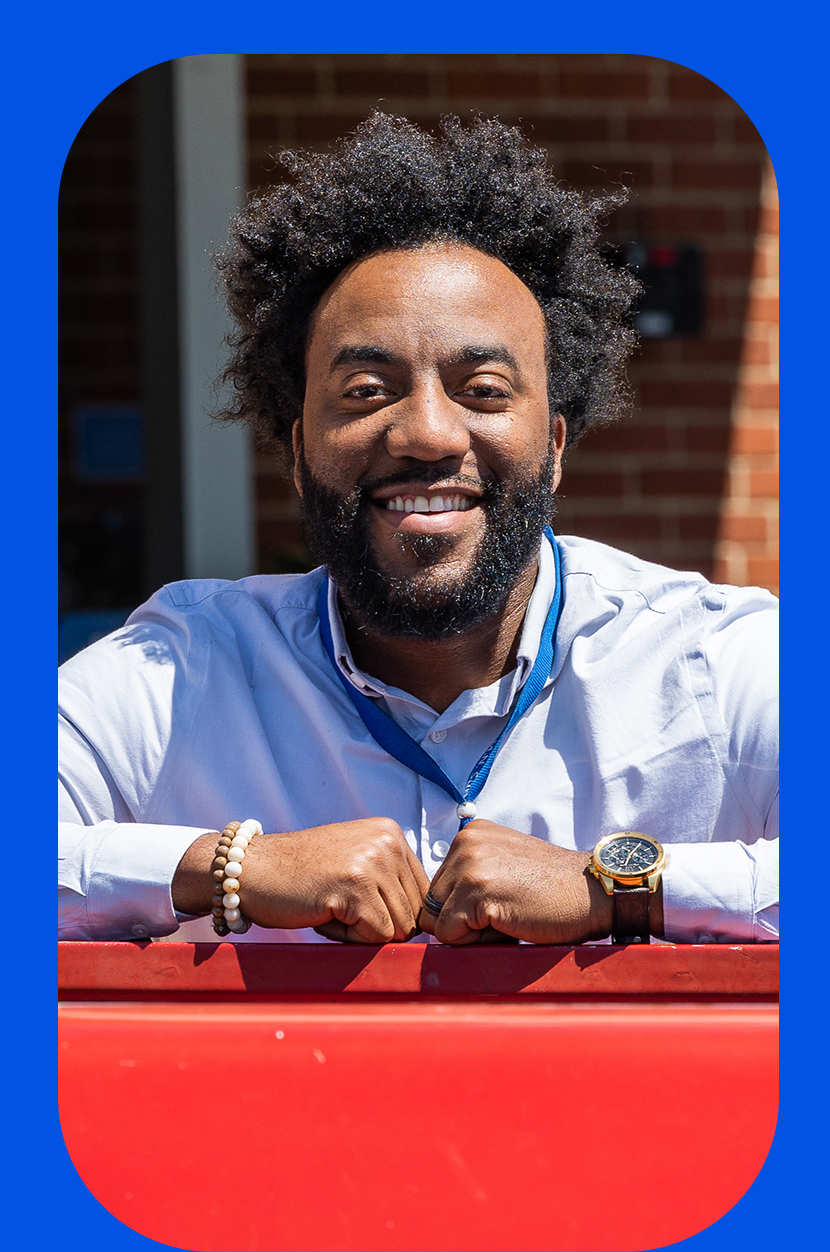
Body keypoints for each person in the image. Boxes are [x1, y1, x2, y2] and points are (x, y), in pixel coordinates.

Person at [58, 112, 778, 948]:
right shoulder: (182, 672)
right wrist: (229, 868)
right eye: (367, 390)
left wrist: (620, 886)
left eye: (483, 389)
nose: (428, 434)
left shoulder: (717, 668)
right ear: (297, 450)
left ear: (552, 449)